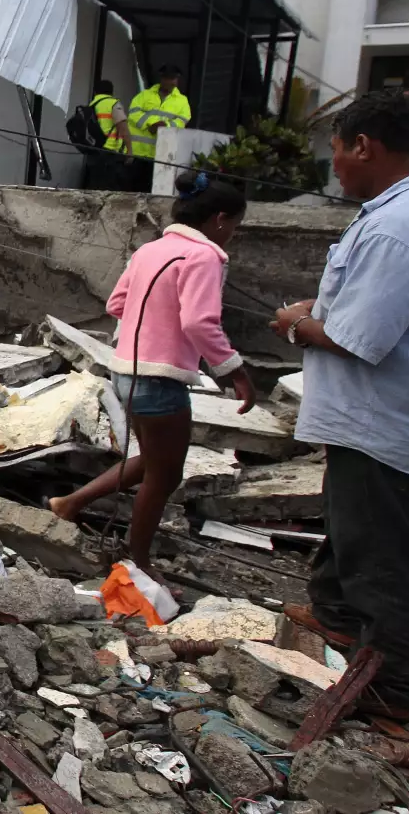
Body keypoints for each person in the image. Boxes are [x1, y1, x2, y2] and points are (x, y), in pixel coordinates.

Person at [270, 88, 409, 721]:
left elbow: (359, 340)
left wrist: (296, 324)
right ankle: (336, 621)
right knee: (350, 536)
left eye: (336, 151)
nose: (333, 166)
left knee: (384, 562)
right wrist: (319, 312)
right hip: (374, 423)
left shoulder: (397, 228)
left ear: (365, 145)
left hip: (383, 426)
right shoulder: (402, 213)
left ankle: (391, 698)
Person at [50, 171, 257, 578]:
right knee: (165, 476)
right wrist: (236, 371)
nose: (233, 232)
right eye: (234, 224)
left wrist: (154, 320)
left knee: (152, 462)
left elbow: (117, 303)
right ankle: (139, 564)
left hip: (126, 372)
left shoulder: (151, 250)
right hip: (160, 379)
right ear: (219, 219)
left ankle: (69, 504)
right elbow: (200, 322)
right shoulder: (205, 256)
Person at [126, 64, 191, 191]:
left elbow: (183, 120)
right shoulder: (144, 95)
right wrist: (151, 124)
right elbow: (133, 112)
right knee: (132, 189)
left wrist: (164, 126)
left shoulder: (182, 100)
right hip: (138, 153)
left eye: (174, 79)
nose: (172, 82)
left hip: (161, 154)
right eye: (169, 79)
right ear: (162, 79)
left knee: (152, 191)